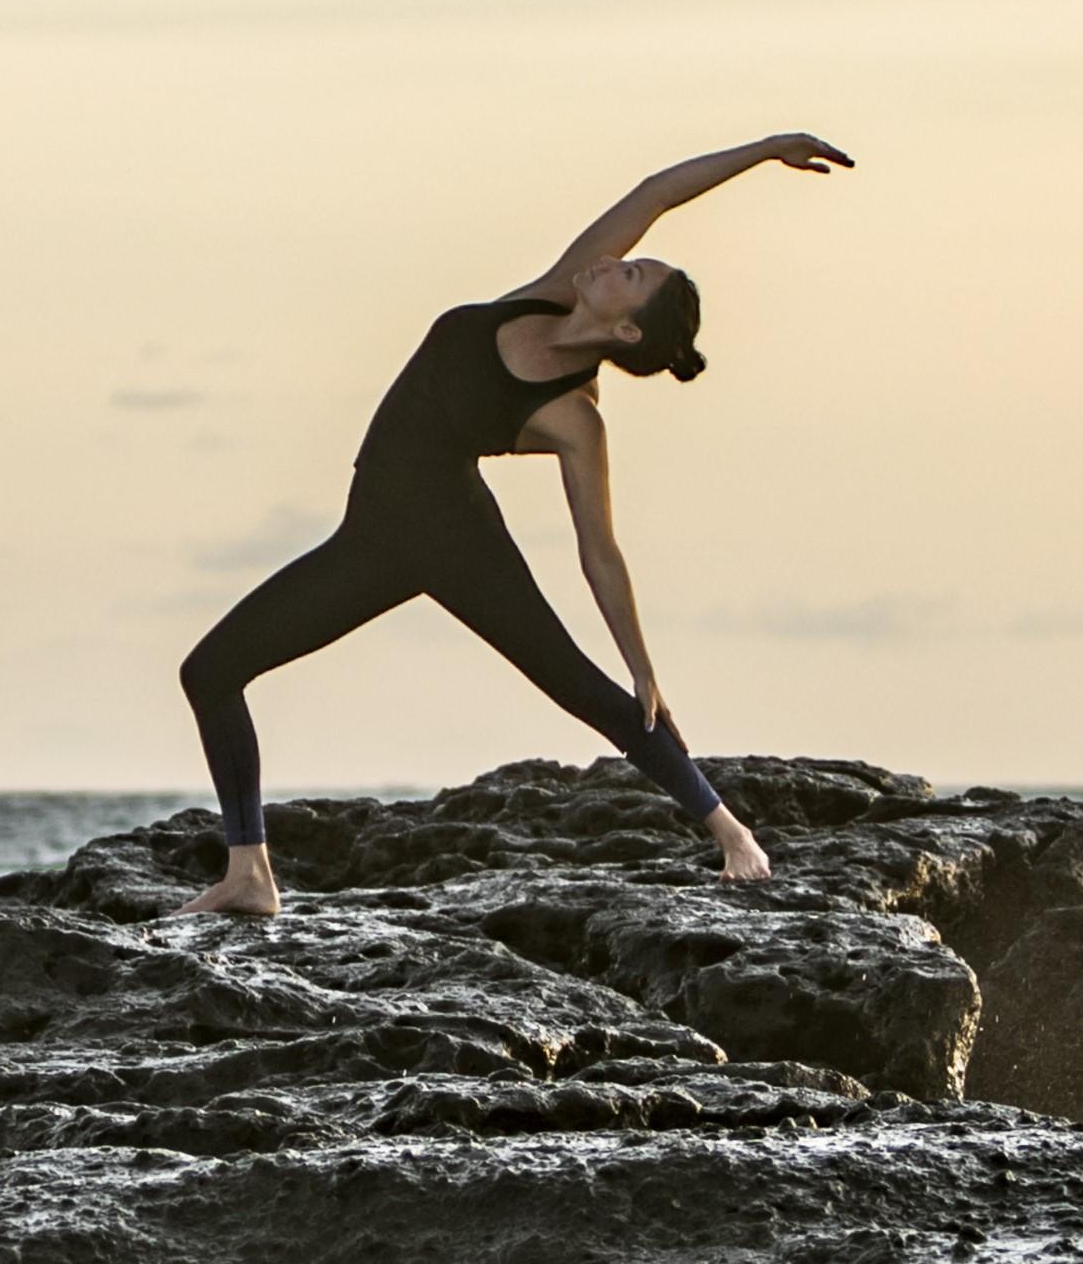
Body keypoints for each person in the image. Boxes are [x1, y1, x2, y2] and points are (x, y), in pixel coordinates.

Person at [175, 133, 852, 923]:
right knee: (210, 672)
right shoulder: (550, 292)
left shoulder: (573, 417)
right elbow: (654, 189)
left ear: (626, 331)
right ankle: (249, 874)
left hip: (457, 541)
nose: (610, 262)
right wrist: (766, 149)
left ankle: (732, 832)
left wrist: (643, 667)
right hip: (369, 542)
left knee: (584, 687)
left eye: (630, 274)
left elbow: (598, 549)